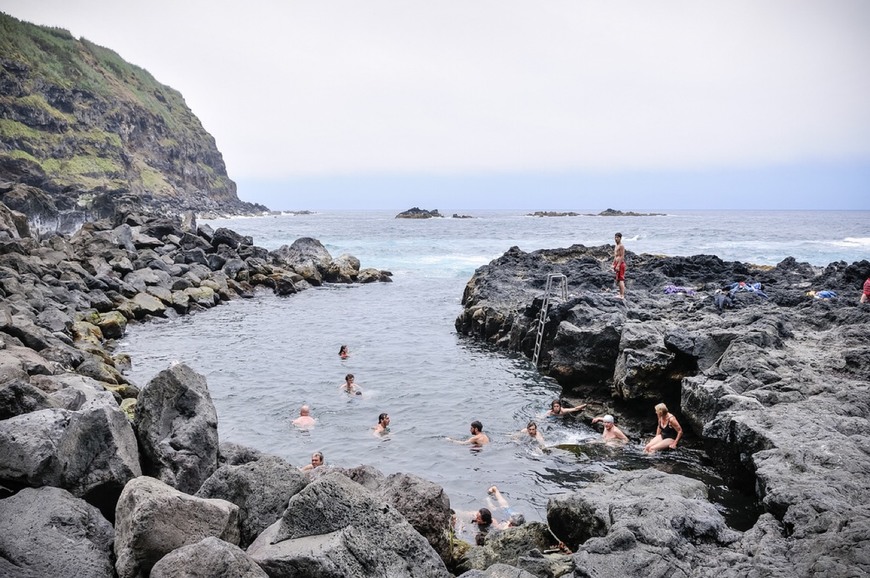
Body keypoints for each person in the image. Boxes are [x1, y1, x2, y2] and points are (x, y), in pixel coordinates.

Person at [613, 232, 626, 299]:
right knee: (618, 280)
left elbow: (621, 256)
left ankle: (622, 295)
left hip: (620, 264)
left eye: (617, 237)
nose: (616, 239)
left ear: (620, 238)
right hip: (616, 263)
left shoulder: (621, 246)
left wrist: (618, 265)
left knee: (621, 279)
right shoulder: (616, 246)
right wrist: (613, 264)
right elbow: (615, 256)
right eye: (615, 237)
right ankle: (620, 294)